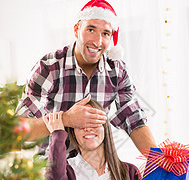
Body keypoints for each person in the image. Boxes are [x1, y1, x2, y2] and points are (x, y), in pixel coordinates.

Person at [16, 0, 157, 157]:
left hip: (94, 170)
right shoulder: (49, 67)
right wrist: (66, 119)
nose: (97, 41)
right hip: (52, 169)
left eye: (105, 33)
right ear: (77, 30)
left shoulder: (117, 71)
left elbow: (134, 121)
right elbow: (20, 128)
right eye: (91, 29)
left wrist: (159, 161)